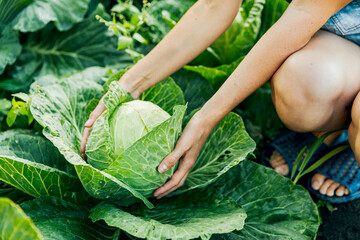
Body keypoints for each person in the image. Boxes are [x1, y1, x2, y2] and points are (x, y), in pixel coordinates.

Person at [80, 0, 360, 202]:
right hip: (344, 39)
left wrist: (205, 119)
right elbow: (216, 4)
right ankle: (331, 133)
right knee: (305, 84)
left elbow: (303, 14)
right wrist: (129, 85)